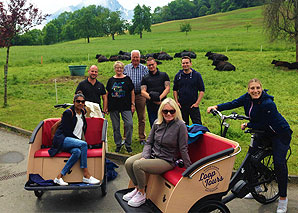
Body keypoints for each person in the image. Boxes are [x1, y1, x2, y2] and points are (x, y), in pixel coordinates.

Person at [207, 78, 292, 213]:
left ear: (261, 88)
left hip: (279, 134)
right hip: (262, 132)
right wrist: (217, 107)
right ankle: (255, 189)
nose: (255, 91)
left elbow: (265, 122)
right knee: (250, 159)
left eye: (258, 88)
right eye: (252, 88)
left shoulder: (268, 104)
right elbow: (233, 103)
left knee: (279, 163)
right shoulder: (247, 98)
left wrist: (247, 124)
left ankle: (283, 198)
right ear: (248, 90)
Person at [122, 98, 191, 208]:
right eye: (165, 111)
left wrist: (189, 169)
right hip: (153, 154)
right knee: (129, 162)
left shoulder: (180, 126)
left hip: (166, 160)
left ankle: (142, 193)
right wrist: (145, 156)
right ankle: (137, 188)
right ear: (161, 112)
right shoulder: (157, 122)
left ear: (176, 111)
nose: (168, 114)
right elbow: (149, 142)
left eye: (172, 111)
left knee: (137, 165)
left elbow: (183, 148)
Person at [48, 93, 100, 186]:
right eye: (78, 101)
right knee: (83, 144)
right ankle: (86, 175)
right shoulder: (68, 113)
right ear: (74, 102)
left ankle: (59, 177)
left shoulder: (82, 112)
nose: (80, 103)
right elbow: (66, 131)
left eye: (82, 101)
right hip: (62, 140)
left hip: (72, 142)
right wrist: (79, 141)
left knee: (77, 152)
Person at [106, 61, 135, 153]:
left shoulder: (127, 79)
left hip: (126, 106)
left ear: (123, 69)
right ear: (114, 69)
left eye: (121, 68)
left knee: (129, 124)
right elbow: (107, 94)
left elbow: (132, 92)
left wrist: (132, 104)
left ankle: (128, 144)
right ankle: (118, 144)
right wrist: (106, 107)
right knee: (116, 126)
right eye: (117, 68)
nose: (119, 69)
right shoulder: (111, 80)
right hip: (113, 106)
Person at [123, 50, 148, 144]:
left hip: (140, 95)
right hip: (128, 96)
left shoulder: (144, 68)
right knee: (127, 117)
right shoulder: (126, 68)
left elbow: (147, 81)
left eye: (137, 57)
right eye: (133, 57)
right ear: (131, 58)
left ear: (140, 58)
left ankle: (142, 138)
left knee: (141, 117)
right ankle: (125, 137)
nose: (135, 59)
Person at [173, 56, 205, 125]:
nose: (185, 65)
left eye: (187, 63)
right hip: (182, 105)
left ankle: (198, 136)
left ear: (191, 64)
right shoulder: (178, 76)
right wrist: (176, 102)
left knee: (197, 125)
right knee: (183, 125)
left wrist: (197, 103)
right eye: (183, 63)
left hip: (193, 105)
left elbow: (202, 90)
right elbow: (175, 90)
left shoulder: (197, 75)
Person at [141, 57, 170, 127]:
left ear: (156, 64)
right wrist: (153, 99)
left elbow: (167, 88)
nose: (151, 67)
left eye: (152, 64)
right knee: (154, 124)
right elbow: (143, 92)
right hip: (151, 105)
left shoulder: (164, 75)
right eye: (149, 65)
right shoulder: (145, 78)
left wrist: (159, 98)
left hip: (163, 104)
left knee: (165, 123)